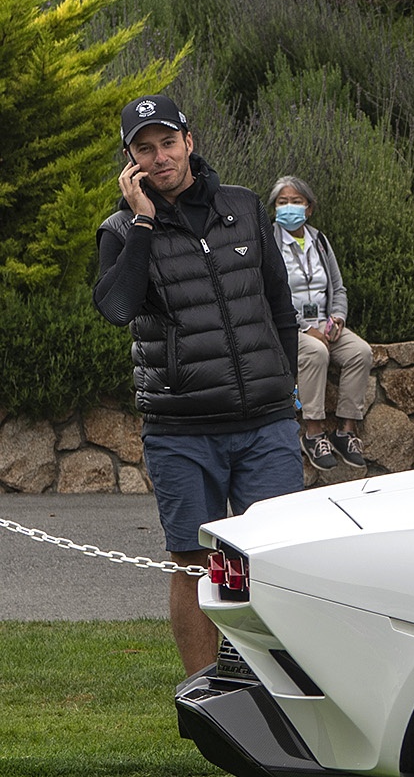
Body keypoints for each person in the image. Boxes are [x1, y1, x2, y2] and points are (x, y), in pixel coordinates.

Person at [91, 94, 302, 675]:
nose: (160, 158)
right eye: (145, 149)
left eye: (168, 143)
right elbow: (116, 307)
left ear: (189, 141)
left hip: (265, 425)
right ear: (130, 160)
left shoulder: (244, 206)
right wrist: (142, 221)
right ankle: (204, 697)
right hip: (181, 429)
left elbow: (280, 308)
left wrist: (283, 390)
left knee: (276, 560)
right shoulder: (119, 229)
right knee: (191, 563)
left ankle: (281, 689)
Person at [267, 176, 373, 470]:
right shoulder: (269, 243)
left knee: (360, 352)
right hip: (290, 327)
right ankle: (313, 432)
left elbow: (338, 287)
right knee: (315, 352)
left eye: (296, 201)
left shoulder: (320, 241)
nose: (289, 207)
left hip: (326, 324)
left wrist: (338, 318)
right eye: (282, 202)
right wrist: (305, 328)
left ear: (309, 208)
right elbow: (272, 294)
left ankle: (346, 430)